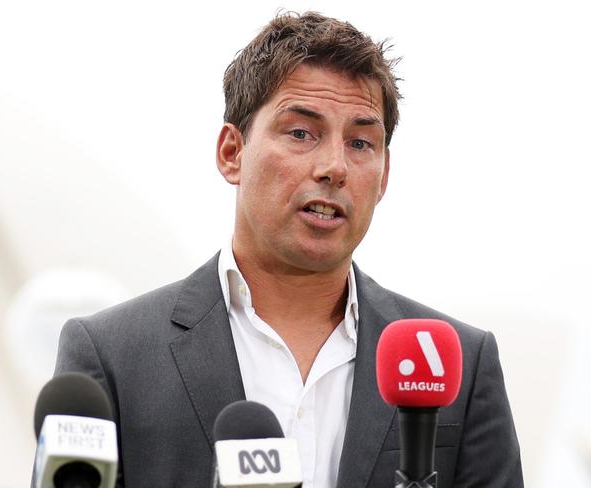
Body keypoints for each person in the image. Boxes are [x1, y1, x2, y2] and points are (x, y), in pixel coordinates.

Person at [54, 11, 523, 487]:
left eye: (361, 143)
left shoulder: (459, 362)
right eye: (301, 133)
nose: (334, 167)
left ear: (383, 176)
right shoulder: (114, 354)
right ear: (232, 153)